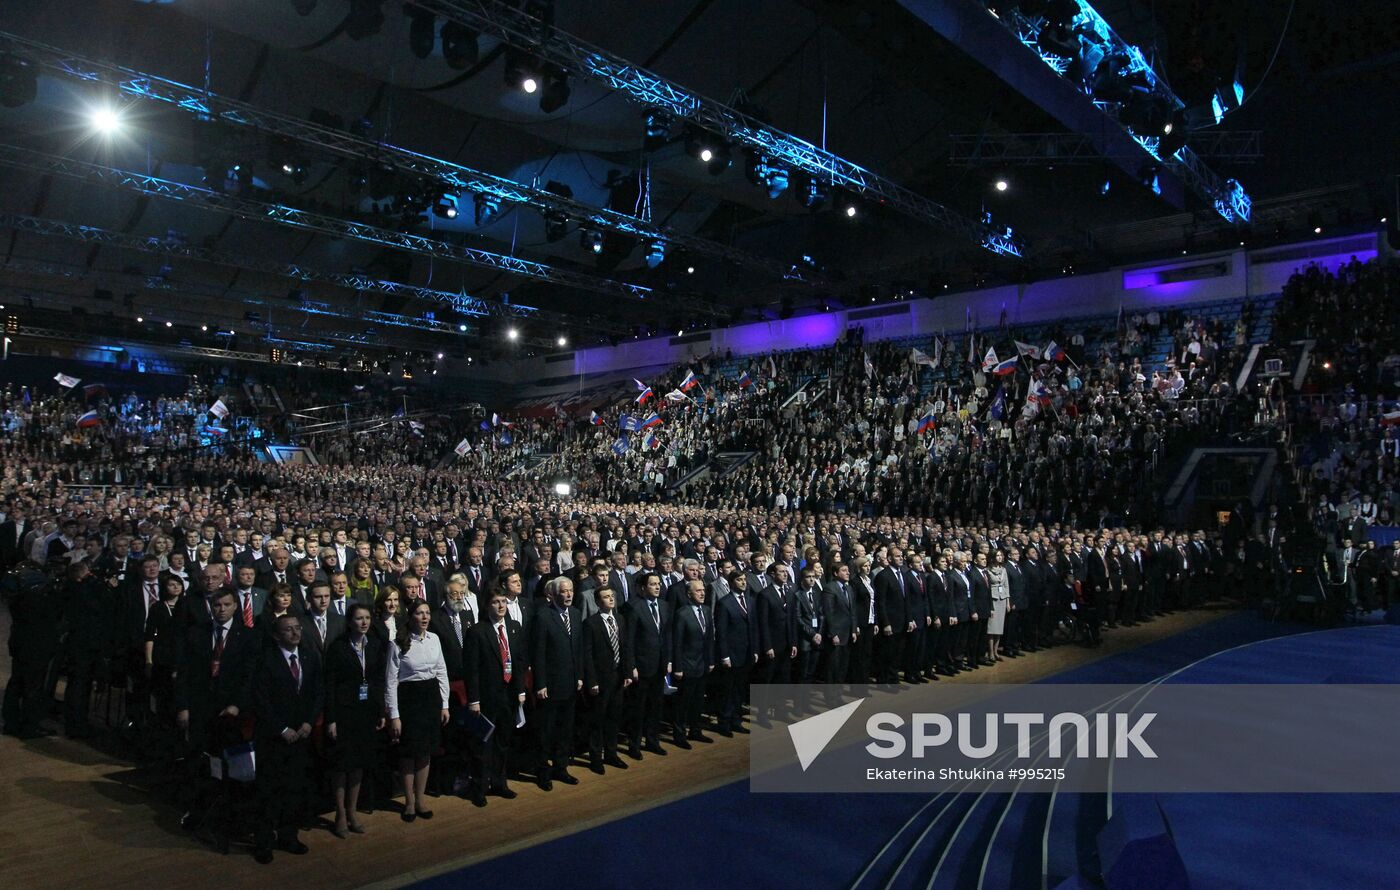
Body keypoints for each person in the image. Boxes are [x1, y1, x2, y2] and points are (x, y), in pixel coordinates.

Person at [250, 613, 322, 864]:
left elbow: (316, 692)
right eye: (288, 629)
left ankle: (288, 836)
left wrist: (308, 722)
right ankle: (263, 842)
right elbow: (260, 699)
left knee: (294, 788)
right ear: (276, 635)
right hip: (273, 737)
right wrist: (281, 729)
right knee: (269, 791)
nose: (295, 633)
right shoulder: (265, 660)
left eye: (297, 628)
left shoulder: (309, 655)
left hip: (300, 734)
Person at [324, 603, 385, 838]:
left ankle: (352, 811)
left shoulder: (374, 646)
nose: (364, 622)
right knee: (342, 765)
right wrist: (331, 719)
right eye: (359, 618)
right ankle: (339, 813)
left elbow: (378, 680)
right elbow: (329, 685)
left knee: (359, 764)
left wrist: (380, 710)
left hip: (366, 712)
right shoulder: (338, 648)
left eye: (367, 618)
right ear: (350, 621)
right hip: (343, 713)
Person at [385, 599, 450, 822]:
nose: (424, 617)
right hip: (408, 700)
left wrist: (445, 704)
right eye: (419, 613)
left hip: (430, 697)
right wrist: (394, 715)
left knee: (425, 751)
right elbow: (391, 682)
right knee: (408, 754)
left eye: (427, 613)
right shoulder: (397, 643)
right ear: (410, 616)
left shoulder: (435, 639)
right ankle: (409, 801)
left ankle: (421, 799)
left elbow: (442, 672)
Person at [466, 587, 528, 803]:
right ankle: (479, 787)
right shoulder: (477, 631)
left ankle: (500, 783)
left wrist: (520, 689)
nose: (501, 605)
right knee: (483, 744)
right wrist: (473, 700)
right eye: (496, 602)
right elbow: (471, 669)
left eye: (503, 601)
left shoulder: (514, 627)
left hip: (509, 695)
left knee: (503, 741)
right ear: (487, 605)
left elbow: (519, 662)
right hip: (485, 698)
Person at [531, 576, 583, 791]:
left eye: (571, 590)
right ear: (553, 594)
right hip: (550, 685)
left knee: (565, 729)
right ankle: (543, 772)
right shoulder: (543, 616)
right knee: (547, 731)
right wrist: (540, 683)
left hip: (571, 683)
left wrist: (579, 676)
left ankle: (561, 768)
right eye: (564, 591)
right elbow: (539, 653)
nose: (569, 594)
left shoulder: (576, 613)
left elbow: (578, 649)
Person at [581, 585, 632, 773]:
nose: (610, 599)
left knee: (614, 718)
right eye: (605, 597)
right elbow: (587, 655)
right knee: (598, 720)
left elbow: (625, 647)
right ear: (597, 601)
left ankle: (611, 753)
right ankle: (596, 758)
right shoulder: (591, 623)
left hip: (618, 676)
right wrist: (592, 681)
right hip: (601, 679)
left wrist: (627, 673)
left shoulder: (619, 619)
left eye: (612, 596)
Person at [60, 561, 112, 739]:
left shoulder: (69, 589)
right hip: (85, 645)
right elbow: (99, 607)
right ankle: (76, 724)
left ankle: (75, 722)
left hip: (78, 643)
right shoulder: (80, 591)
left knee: (78, 685)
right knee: (80, 686)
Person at [624, 572, 671, 758]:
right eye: (653, 584)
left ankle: (653, 741)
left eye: (658, 583)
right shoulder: (633, 607)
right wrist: (632, 665)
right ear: (643, 588)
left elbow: (667, 636)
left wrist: (668, 660)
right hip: (641, 667)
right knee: (638, 708)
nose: (657, 587)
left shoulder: (664, 605)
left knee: (655, 706)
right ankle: (634, 745)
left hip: (659, 665)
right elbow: (629, 640)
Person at [714, 570, 758, 735]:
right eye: (739, 580)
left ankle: (736, 720)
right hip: (731, 654)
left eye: (744, 579)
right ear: (732, 582)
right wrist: (724, 655)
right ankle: (724, 723)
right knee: (728, 690)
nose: (743, 582)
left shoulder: (750, 600)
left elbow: (753, 628)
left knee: (740, 689)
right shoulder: (724, 603)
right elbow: (722, 632)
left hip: (747, 653)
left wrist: (754, 650)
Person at [671, 577, 714, 748]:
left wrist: (710, 660)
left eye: (703, 590)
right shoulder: (682, 613)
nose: (702, 593)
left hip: (702, 664)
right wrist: (678, 667)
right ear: (689, 594)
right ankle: (679, 734)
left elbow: (710, 638)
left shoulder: (706, 610)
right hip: (686, 665)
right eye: (698, 590)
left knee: (698, 701)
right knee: (683, 703)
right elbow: (677, 643)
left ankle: (696, 731)